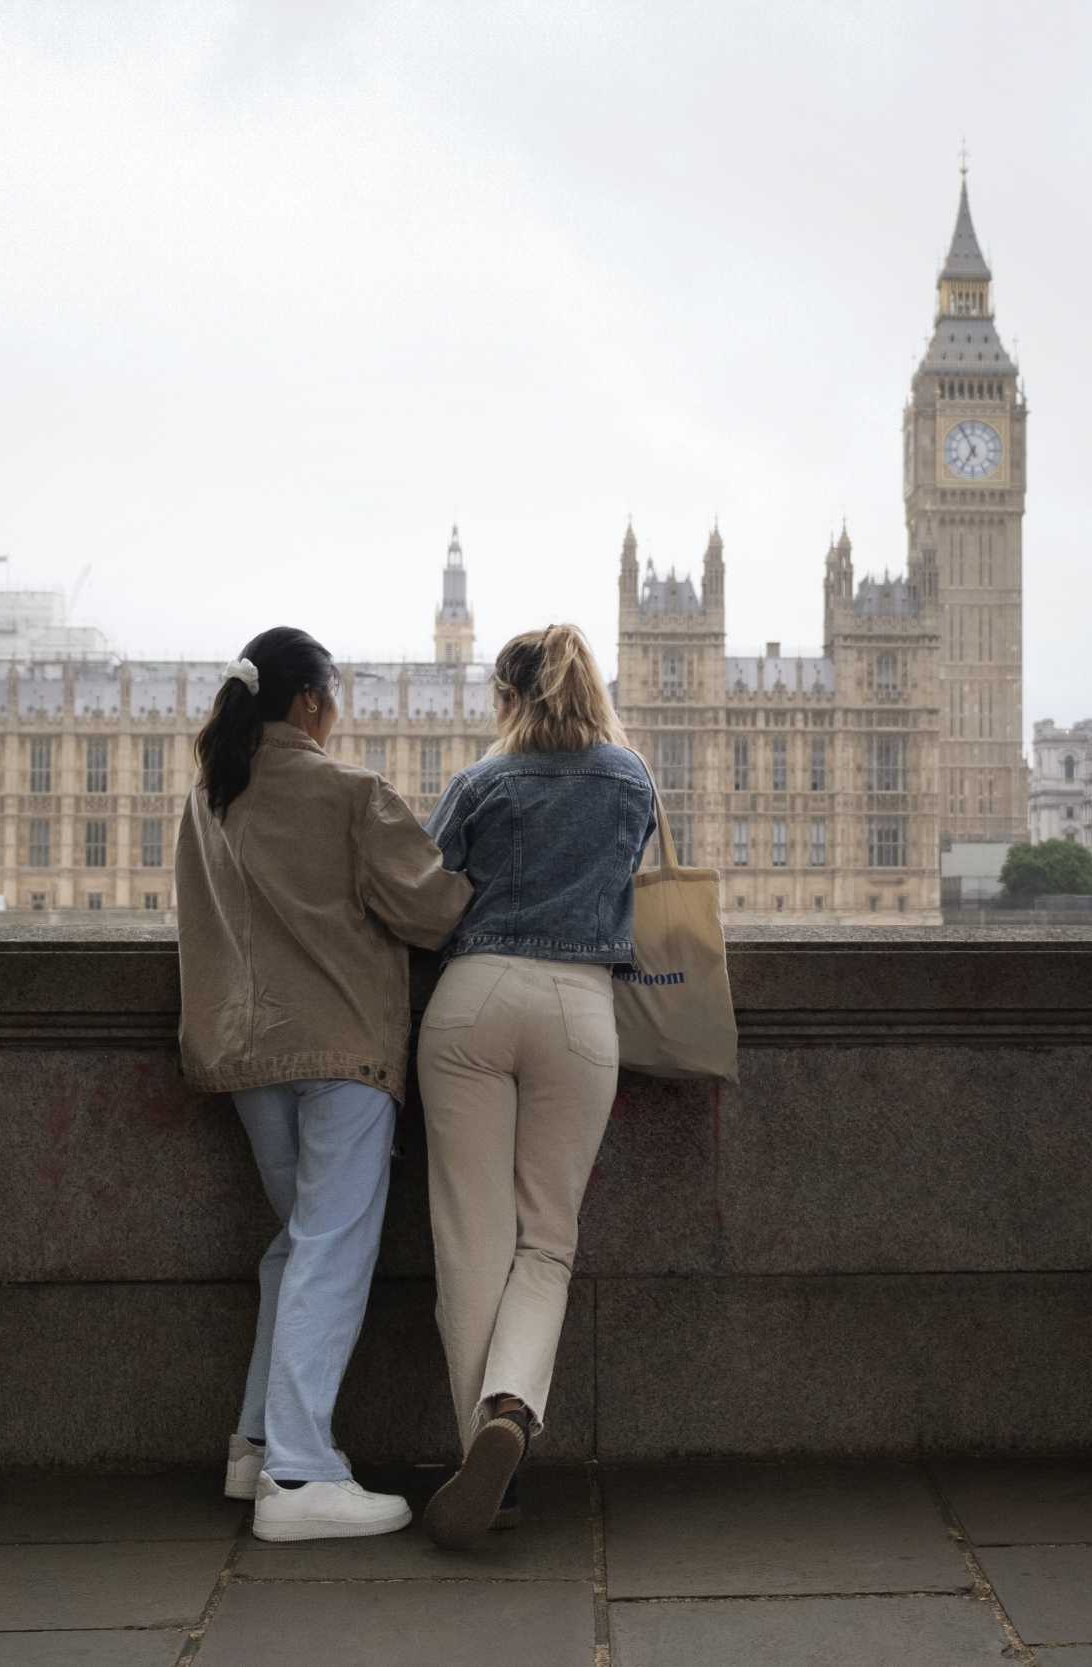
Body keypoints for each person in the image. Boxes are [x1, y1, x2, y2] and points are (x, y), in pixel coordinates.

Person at [177, 626, 474, 1543]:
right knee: (330, 1249)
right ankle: (302, 1477)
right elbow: (434, 908)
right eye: (335, 698)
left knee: (294, 1244)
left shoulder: (208, 796)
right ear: (311, 701)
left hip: (245, 1054)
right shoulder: (349, 792)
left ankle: (257, 1444)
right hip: (340, 1051)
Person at [416, 623, 654, 1547]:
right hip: (579, 1011)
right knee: (546, 1241)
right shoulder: (631, 777)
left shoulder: (481, 781)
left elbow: (428, 894)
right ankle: (510, 1409)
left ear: (510, 698)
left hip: (473, 1002)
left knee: (470, 1242)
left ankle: (486, 1462)